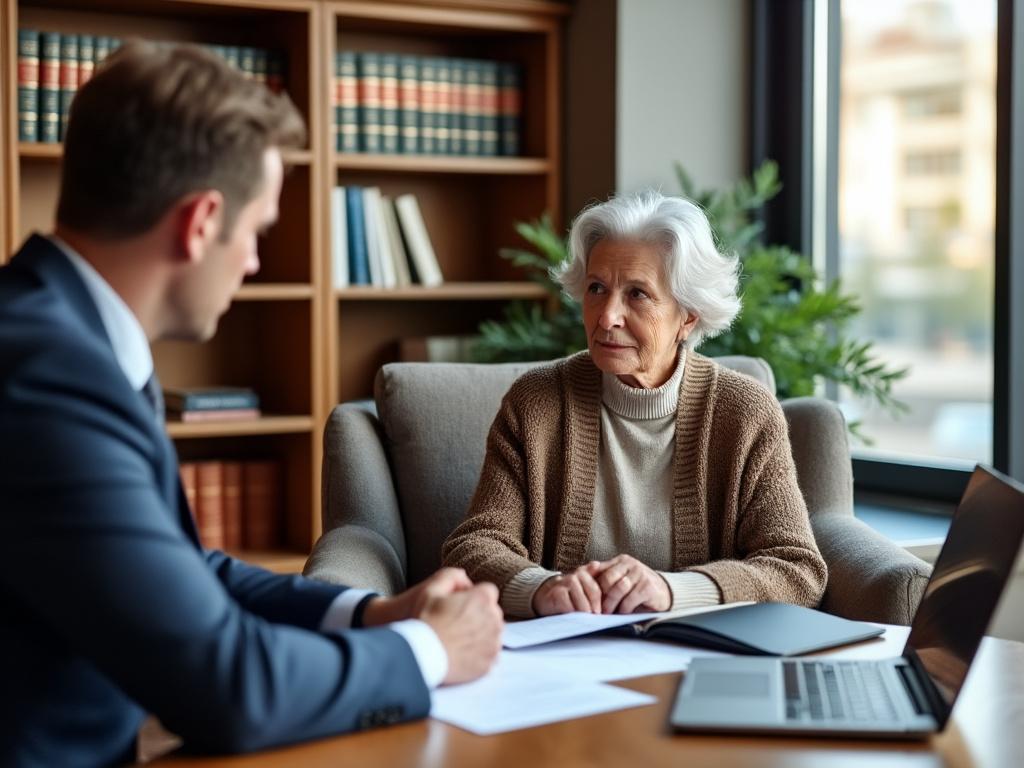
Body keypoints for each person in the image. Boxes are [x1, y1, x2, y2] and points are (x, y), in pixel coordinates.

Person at [0, 42, 502, 767]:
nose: (256, 262)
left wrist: (371, 612)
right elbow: (230, 689)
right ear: (201, 222)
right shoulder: (49, 376)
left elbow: (174, 568)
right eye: (259, 229)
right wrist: (427, 650)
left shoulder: (59, 330)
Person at [442, 191, 827, 618]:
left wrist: (673, 590)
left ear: (689, 315)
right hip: (564, 658)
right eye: (596, 288)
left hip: (699, 655)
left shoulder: (745, 412)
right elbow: (473, 546)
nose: (607, 316)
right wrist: (543, 588)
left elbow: (797, 569)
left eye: (638, 294)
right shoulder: (536, 403)